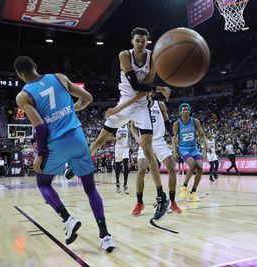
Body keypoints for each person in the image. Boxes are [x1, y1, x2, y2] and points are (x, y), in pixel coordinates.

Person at [13, 56, 114, 252]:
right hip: (78, 138)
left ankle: (68, 218)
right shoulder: (59, 77)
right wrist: (72, 109)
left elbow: (40, 127)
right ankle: (105, 236)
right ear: (35, 65)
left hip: (55, 144)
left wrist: (40, 154)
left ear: (19, 74)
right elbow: (88, 98)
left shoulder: (23, 96)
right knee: (90, 188)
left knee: (43, 184)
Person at [89, 27, 172, 221]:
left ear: (147, 42)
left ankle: (162, 197)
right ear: (132, 41)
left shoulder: (154, 58)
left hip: (142, 106)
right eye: (137, 41)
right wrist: (159, 88)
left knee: (146, 148)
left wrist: (154, 88)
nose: (141, 44)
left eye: (144, 41)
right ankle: (78, 162)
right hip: (125, 102)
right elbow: (135, 86)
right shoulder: (124, 55)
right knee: (100, 140)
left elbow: (143, 93)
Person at [130, 99, 181, 216]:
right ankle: (139, 202)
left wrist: (173, 135)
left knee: (172, 169)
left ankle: (172, 201)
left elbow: (167, 122)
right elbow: (132, 127)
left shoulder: (160, 105)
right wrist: (138, 139)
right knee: (141, 171)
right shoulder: (136, 105)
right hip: (145, 141)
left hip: (159, 141)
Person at [172, 103, 207, 202]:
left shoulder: (195, 121)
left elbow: (202, 135)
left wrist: (205, 149)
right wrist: (175, 152)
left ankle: (193, 193)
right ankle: (184, 187)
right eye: (183, 110)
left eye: (187, 109)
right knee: (192, 164)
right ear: (180, 112)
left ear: (189, 111)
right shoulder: (177, 123)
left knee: (200, 166)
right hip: (183, 148)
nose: (185, 111)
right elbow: (174, 138)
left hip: (193, 148)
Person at [113, 124, 130, 194]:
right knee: (118, 165)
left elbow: (129, 136)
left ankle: (125, 185)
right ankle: (117, 183)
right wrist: (116, 138)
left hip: (125, 147)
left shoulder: (127, 126)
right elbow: (109, 137)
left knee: (126, 165)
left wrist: (129, 142)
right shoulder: (116, 126)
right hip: (118, 147)